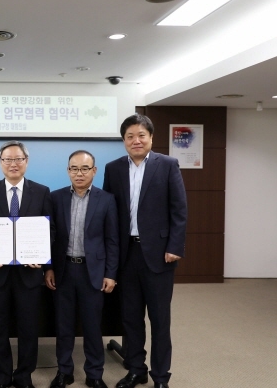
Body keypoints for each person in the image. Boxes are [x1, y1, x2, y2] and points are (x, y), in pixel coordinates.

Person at [103, 114, 187, 388]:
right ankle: (135, 370)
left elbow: (179, 209)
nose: (136, 140)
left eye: (141, 135)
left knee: (160, 319)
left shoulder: (168, 164)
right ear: (124, 140)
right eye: (130, 136)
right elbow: (108, 212)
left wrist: (174, 246)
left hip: (160, 255)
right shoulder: (113, 168)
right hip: (127, 255)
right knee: (130, 319)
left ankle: (161, 376)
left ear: (151, 137)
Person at [0, 140, 54, 388]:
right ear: (0, 162)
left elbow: (50, 229)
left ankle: (24, 377)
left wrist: (42, 257)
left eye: (18, 159)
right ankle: (1, 378)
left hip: (29, 273)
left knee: (28, 329)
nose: (13, 164)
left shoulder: (42, 191)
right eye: (8, 159)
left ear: (26, 161)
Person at [45, 150, 119, 388]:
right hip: (63, 270)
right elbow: (49, 237)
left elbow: (112, 240)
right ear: (68, 171)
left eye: (85, 168)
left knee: (92, 326)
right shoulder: (55, 198)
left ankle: (94, 374)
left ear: (94, 171)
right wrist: (48, 268)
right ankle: (64, 371)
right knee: (63, 326)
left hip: (92, 272)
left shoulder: (106, 199)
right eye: (74, 168)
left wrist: (110, 274)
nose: (79, 173)